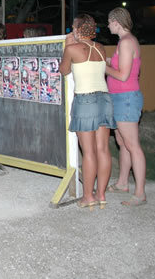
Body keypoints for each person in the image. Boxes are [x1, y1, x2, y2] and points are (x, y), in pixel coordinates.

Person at [60, 14, 115, 209]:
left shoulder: (72, 48)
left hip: (85, 100)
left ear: (77, 29)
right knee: (103, 149)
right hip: (104, 98)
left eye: (73, 27)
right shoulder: (100, 48)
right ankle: (101, 194)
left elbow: (64, 70)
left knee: (89, 151)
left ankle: (88, 197)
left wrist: (68, 45)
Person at [105, 7, 147, 206]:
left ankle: (140, 194)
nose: (107, 25)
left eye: (109, 22)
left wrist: (102, 67)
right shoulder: (125, 42)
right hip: (119, 98)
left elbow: (122, 75)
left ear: (116, 22)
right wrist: (103, 60)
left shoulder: (127, 42)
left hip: (126, 98)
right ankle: (123, 183)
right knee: (123, 143)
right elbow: (120, 66)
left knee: (133, 146)